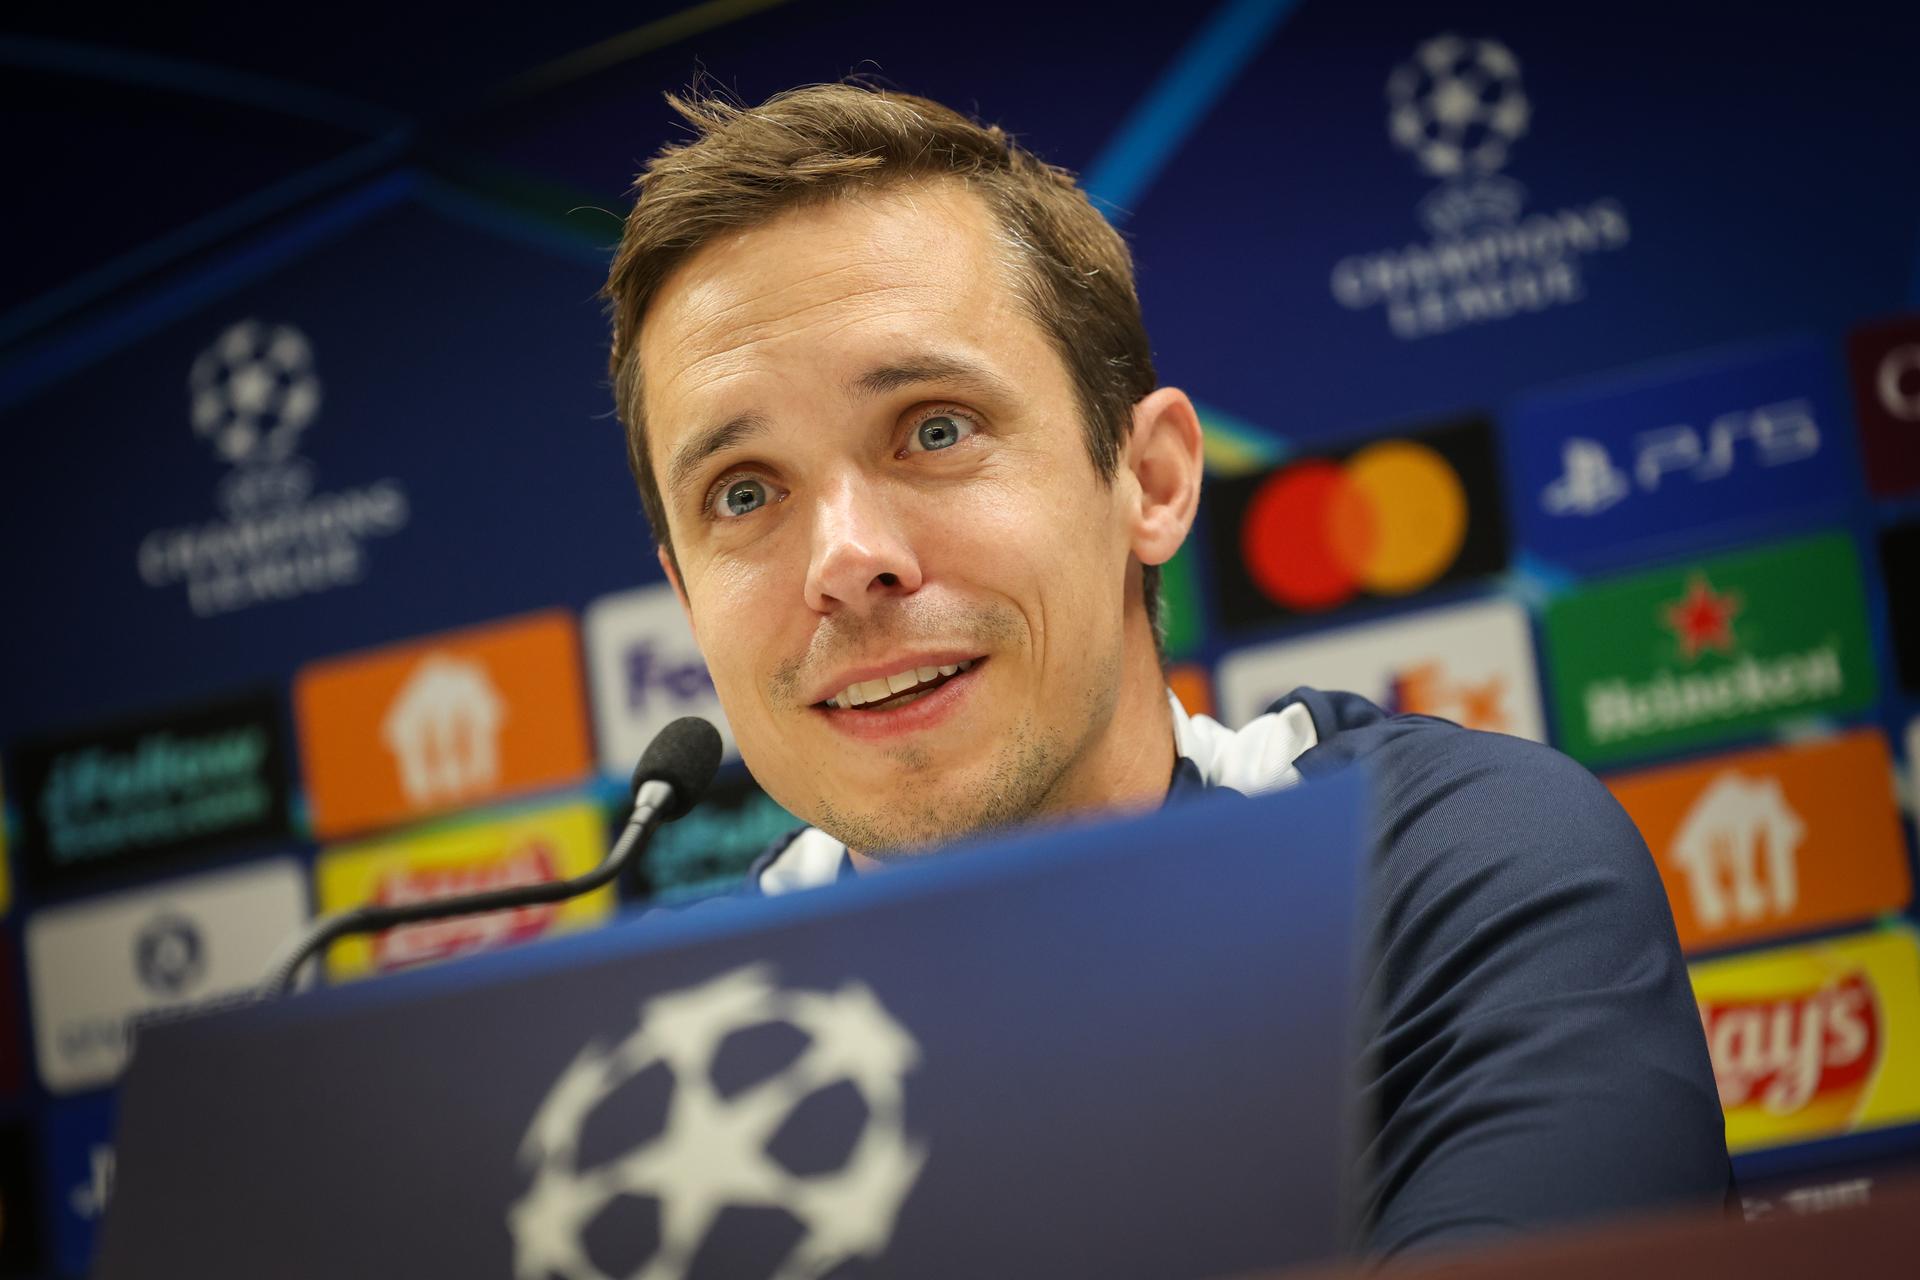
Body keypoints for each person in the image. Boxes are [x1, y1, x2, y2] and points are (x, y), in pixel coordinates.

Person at [600, 82, 1731, 1255]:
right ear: (688, 597)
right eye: (744, 494)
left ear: (1149, 482)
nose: (846, 560)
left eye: (935, 428)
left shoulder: (1446, 867)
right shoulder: (629, 1058)